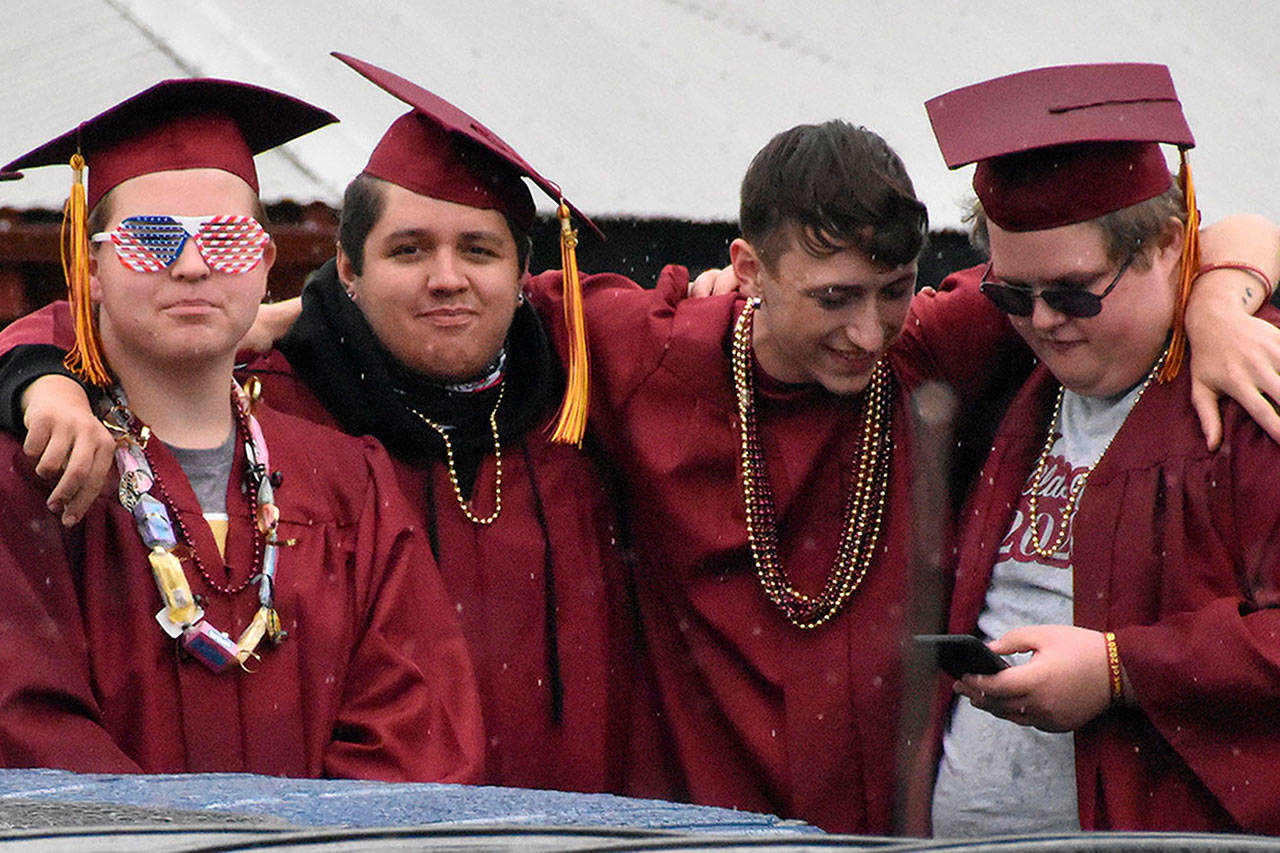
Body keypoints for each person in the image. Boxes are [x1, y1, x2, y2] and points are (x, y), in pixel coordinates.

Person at [5, 76, 1277, 828]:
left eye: (892, 291)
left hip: (898, 834)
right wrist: (41, 365)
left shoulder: (948, 345)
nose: (865, 329)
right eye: (827, 295)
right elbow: (168, 304)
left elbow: (1152, 247)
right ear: (743, 274)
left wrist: (1225, 283)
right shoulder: (639, 346)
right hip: (688, 836)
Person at [0, 56, 637, 794]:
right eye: (151, 238)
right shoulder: (31, 472)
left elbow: (412, 730)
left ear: (266, 264)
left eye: (227, 238)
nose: (193, 266)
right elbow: (26, 727)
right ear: (87, 266)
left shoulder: (347, 481)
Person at [917, 62, 1280, 835]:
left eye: (1075, 292)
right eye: (1013, 294)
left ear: (1166, 245)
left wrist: (1122, 668)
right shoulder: (1014, 376)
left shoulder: (1254, 386)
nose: (1045, 322)